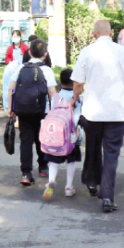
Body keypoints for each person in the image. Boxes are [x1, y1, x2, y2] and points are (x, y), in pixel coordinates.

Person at [72, 19, 124, 213]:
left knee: (92, 149)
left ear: (94, 34)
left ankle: (92, 183)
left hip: (92, 113)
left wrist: (73, 98)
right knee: (111, 155)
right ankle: (108, 197)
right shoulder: (122, 52)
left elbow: (77, 83)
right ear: (111, 33)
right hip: (116, 113)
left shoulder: (86, 52)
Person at [9, 38, 57, 186]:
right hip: (41, 111)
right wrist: (57, 111)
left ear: (29, 52)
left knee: (26, 141)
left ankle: (26, 173)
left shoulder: (21, 68)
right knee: (41, 139)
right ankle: (43, 167)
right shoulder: (47, 70)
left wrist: (11, 109)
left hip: (23, 110)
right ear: (46, 54)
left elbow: (11, 89)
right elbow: (52, 92)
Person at [43, 68, 83, 200]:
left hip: (56, 136)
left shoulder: (55, 97)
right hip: (72, 136)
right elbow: (77, 117)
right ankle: (68, 187)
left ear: (60, 81)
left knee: (54, 160)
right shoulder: (78, 99)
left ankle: (51, 180)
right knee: (70, 161)